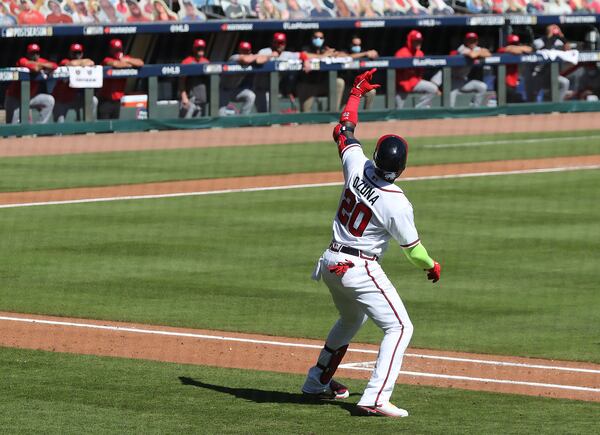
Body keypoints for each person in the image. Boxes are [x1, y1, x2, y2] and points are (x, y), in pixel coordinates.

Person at [301, 68, 441, 418]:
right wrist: (433, 266)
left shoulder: (356, 164)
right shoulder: (396, 201)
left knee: (351, 319)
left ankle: (317, 380)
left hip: (331, 261)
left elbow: (344, 130)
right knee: (400, 326)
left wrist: (354, 95)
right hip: (359, 267)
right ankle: (376, 396)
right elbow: (415, 252)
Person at [4, 43, 57, 124]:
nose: (35, 55)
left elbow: (54, 65)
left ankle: (38, 128)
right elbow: (35, 68)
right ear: (27, 54)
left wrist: (40, 64)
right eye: (32, 53)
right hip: (14, 98)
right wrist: (43, 66)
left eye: (37, 53)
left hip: (30, 98)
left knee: (49, 100)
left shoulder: (40, 61)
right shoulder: (22, 60)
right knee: (12, 127)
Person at [296, 30, 346, 113]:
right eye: (316, 37)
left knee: (339, 82)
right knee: (305, 115)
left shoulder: (325, 48)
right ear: (312, 38)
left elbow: (343, 55)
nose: (318, 39)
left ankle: (333, 112)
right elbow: (304, 54)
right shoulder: (306, 48)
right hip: (308, 85)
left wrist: (335, 54)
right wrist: (323, 56)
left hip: (323, 84)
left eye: (321, 38)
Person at [98, 38, 145, 119]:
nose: (117, 51)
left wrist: (126, 60)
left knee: (115, 125)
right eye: (115, 49)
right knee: (104, 127)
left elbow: (140, 63)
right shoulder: (107, 59)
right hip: (105, 100)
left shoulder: (126, 58)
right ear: (111, 49)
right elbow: (116, 64)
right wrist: (127, 64)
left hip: (117, 100)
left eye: (119, 49)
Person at [219, 41, 268, 116]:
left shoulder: (251, 58)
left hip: (234, 90)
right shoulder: (234, 57)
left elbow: (262, 60)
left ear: (250, 51)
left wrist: (257, 56)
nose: (245, 52)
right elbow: (246, 60)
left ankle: (242, 119)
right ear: (239, 50)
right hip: (222, 90)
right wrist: (255, 56)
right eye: (243, 50)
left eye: (247, 50)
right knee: (221, 117)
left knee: (250, 96)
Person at [52, 43, 98, 122]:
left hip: (75, 99)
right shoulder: (64, 61)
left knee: (93, 100)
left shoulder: (84, 62)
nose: (77, 55)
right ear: (70, 53)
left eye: (79, 53)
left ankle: (88, 125)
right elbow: (71, 64)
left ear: (82, 54)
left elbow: (91, 62)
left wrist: (82, 63)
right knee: (59, 129)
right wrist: (83, 63)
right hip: (61, 100)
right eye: (74, 53)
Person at [395, 30, 440, 109]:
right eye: (416, 41)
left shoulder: (420, 53)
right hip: (402, 85)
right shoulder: (401, 53)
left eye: (419, 41)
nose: (418, 43)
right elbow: (395, 73)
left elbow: (420, 72)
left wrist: (415, 81)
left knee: (433, 89)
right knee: (397, 111)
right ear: (410, 41)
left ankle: (418, 109)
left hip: (414, 82)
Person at [529, 25, 571, 102]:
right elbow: (546, 50)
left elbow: (568, 50)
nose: (554, 30)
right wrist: (549, 36)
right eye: (552, 29)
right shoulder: (538, 42)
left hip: (553, 75)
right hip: (538, 75)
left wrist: (562, 37)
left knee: (564, 83)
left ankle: (557, 105)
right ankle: (533, 111)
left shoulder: (559, 42)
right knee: (533, 96)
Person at [449, 32, 491, 107]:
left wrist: (479, 51)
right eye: (470, 40)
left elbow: (488, 54)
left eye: (474, 40)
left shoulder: (476, 49)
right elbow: (472, 55)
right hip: (452, 81)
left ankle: (475, 109)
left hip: (463, 81)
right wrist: (480, 52)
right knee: (450, 107)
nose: (472, 43)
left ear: (477, 41)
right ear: (466, 41)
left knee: (482, 87)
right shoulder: (462, 48)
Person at [339, 35, 379, 110]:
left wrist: (374, 54)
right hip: (347, 87)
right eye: (355, 45)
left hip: (359, 86)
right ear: (350, 44)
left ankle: (367, 114)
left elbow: (374, 55)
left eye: (358, 45)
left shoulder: (364, 51)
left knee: (371, 92)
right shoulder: (345, 51)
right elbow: (343, 56)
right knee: (344, 111)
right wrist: (365, 54)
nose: (357, 47)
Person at [179, 38, 210, 119]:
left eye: (202, 48)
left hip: (202, 100)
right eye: (198, 48)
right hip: (190, 100)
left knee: (199, 126)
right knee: (186, 123)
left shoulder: (206, 62)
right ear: (194, 49)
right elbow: (181, 81)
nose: (200, 50)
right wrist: (184, 97)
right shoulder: (187, 62)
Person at [497, 34, 532, 103]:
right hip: (503, 82)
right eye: (512, 43)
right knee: (505, 101)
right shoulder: (502, 49)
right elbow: (513, 50)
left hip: (513, 81)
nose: (514, 45)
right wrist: (518, 48)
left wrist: (519, 48)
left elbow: (530, 49)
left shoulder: (518, 48)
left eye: (516, 43)